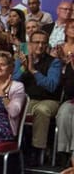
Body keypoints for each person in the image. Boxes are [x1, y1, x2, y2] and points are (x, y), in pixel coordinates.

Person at [14, 30, 63, 165]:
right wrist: (24, 68)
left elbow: (52, 86)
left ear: (47, 45)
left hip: (49, 100)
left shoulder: (54, 62)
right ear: (29, 44)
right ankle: (16, 148)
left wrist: (34, 71)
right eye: (36, 42)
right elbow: (13, 81)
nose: (40, 46)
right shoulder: (21, 59)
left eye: (43, 43)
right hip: (28, 99)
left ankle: (37, 151)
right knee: (14, 109)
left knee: (41, 110)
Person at [56, 20, 74, 166]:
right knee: (65, 112)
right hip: (70, 97)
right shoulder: (58, 48)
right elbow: (68, 87)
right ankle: (63, 152)